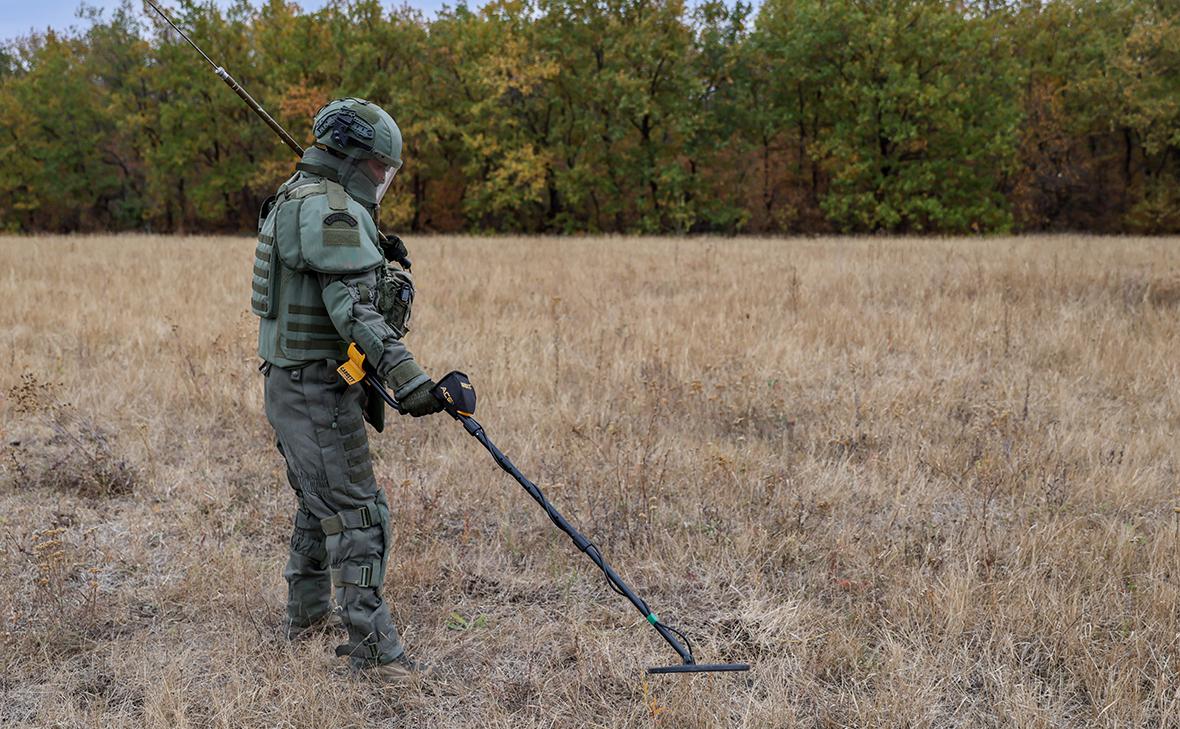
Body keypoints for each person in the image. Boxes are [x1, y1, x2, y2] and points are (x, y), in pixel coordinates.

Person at [249, 97, 443, 681]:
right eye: (382, 167)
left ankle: (305, 617)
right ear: (357, 160)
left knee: (319, 501)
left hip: (292, 382)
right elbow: (354, 311)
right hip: (314, 388)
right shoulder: (331, 211)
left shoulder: (298, 196)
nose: (385, 179)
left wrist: (377, 255)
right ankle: (374, 648)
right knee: (360, 513)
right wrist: (414, 385)